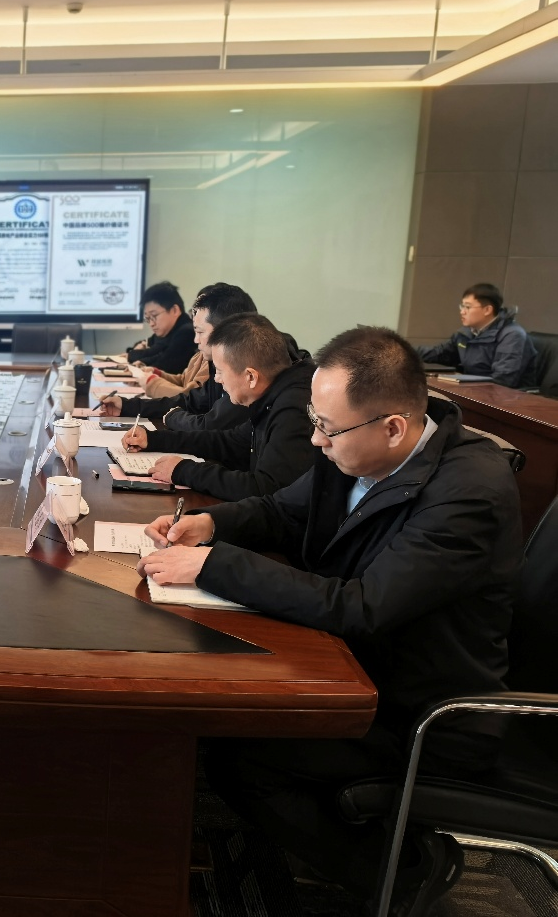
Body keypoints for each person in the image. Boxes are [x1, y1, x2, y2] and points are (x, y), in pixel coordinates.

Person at [137, 326, 521, 917]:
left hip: (422, 711)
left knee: (240, 757)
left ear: (393, 428)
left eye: (327, 428)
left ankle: (400, 875)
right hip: (363, 668)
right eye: (315, 421)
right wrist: (212, 526)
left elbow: (362, 606)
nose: (314, 439)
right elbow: (281, 509)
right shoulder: (356, 449)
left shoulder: (469, 494)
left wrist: (215, 566)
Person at [120, 313, 316, 501]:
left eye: (220, 371)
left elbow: (264, 489)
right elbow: (228, 442)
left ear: (250, 377)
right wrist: (154, 439)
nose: (217, 379)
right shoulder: (271, 397)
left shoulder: (294, 410)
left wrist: (184, 471)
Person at [416, 283, 537, 388]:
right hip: (474, 390)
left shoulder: (512, 335)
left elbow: (503, 380)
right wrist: (407, 351)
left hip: (507, 399)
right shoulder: (466, 333)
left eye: (467, 307)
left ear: (487, 310)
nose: (462, 311)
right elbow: (440, 354)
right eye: (462, 306)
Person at [126, 281, 195, 374]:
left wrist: (133, 355)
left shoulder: (187, 333)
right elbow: (144, 346)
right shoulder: (166, 332)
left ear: (174, 310)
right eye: (147, 318)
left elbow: (162, 366)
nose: (151, 324)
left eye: (154, 316)